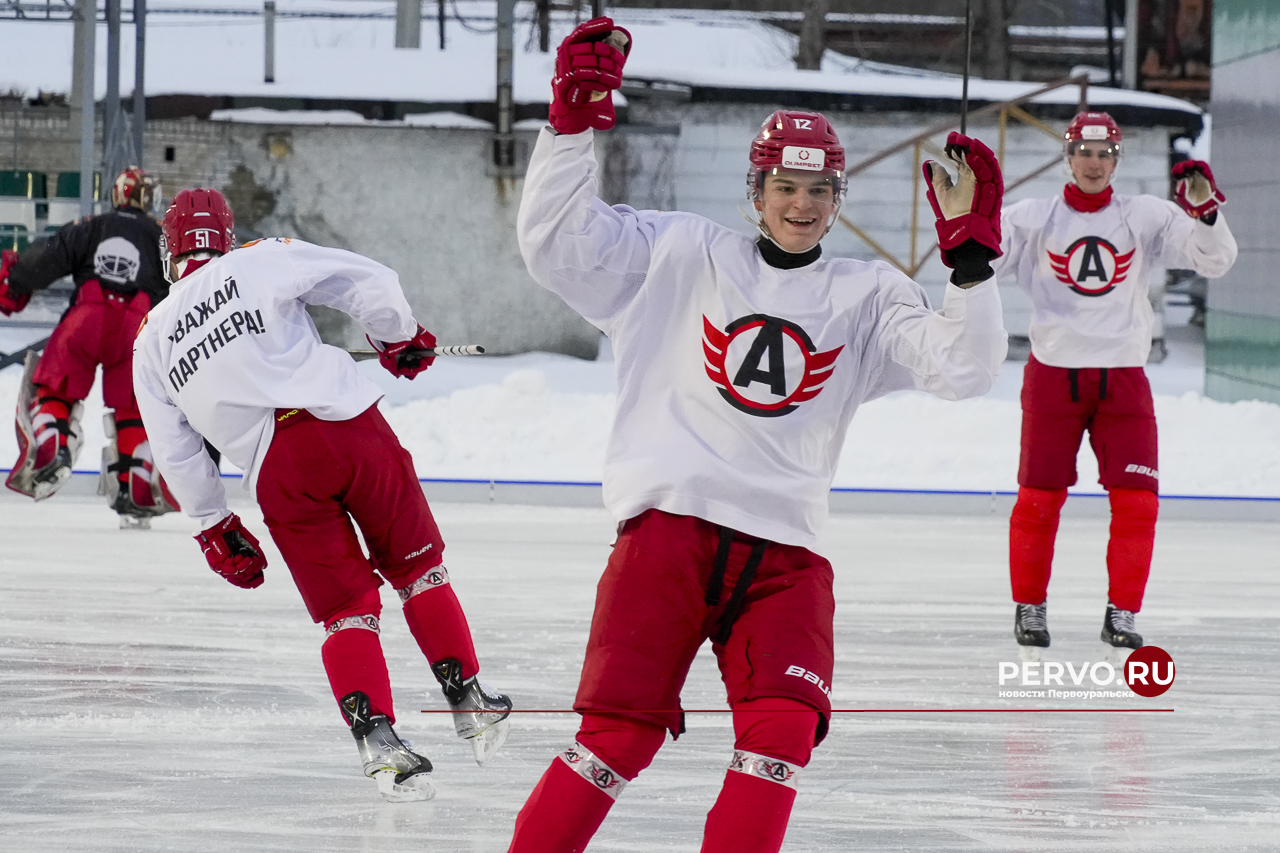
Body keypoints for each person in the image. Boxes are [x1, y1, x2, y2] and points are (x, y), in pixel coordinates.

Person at [510, 17, 1008, 853]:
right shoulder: (678, 254)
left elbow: (965, 367)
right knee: (617, 735)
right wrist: (568, 127)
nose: (802, 205)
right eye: (785, 186)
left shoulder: (868, 296)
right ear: (755, 190)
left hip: (785, 557)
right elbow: (556, 245)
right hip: (668, 536)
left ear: (838, 199)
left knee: (781, 733)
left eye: (819, 190)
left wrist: (970, 263)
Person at [131, 188, 513, 803]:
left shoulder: (150, 339)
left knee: (346, 611)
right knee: (418, 570)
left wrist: (212, 522)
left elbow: (175, 449)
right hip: (348, 428)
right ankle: (468, 698)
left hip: (278, 472)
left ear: (169, 251)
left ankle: (379, 742)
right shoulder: (259, 258)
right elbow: (366, 279)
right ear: (225, 237)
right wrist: (397, 334)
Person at [997, 111, 1237, 658]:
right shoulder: (1034, 217)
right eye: (1084, 152)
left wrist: (1205, 213)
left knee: (1138, 505)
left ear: (1116, 160)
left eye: (1104, 154)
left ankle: (1122, 613)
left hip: (1123, 379)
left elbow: (1216, 259)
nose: (1093, 163)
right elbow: (976, 258)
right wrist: (968, 217)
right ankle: (1030, 607)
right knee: (1038, 500)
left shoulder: (1144, 216)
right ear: (1068, 156)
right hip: (1053, 377)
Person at [0, 166, 179, 527]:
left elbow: (45, 259)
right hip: (137, 328)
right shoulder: (161, 238)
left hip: (86, 316)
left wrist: (14, 281)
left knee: (55, 390)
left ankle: (52, 438)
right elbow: (182, 287)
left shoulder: (90, 226)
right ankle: (137, 478)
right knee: (134, 410)